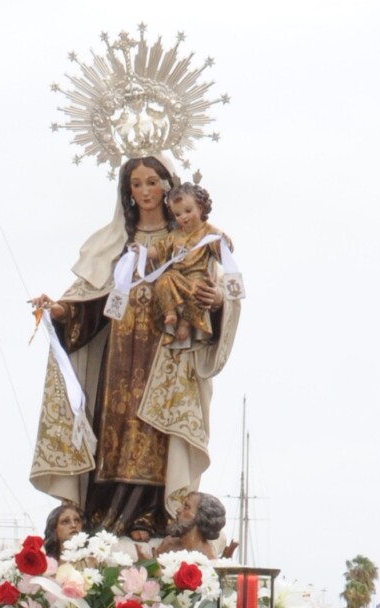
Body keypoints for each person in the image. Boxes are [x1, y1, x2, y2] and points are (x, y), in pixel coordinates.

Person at [29, 154, 241, 540]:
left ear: (168, 186)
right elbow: (91, 303)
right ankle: (103, 512)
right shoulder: (116, 244)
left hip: (167, 355)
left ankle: (150, 515)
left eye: (152, 182)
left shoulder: (191, 239)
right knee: (116, 427)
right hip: (120, 354)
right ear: (127, 192)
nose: (145, 191)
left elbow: (219, 291)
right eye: (137, 184)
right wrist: (59, 310)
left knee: (155, 431)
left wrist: (218, 302)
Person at [143, 183, 228, 349]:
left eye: (188, 211)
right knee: (163, 280)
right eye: (177, 214)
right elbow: (160, 249)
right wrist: (141, 253)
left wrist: (223, 242)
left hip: (198, 276)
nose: (183, 217)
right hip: (177, 275)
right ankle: (170, 313)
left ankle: (186, 324)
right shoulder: (175, 235)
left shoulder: (210, 232)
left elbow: (224, 254)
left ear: (201, 207)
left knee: (199, 292)